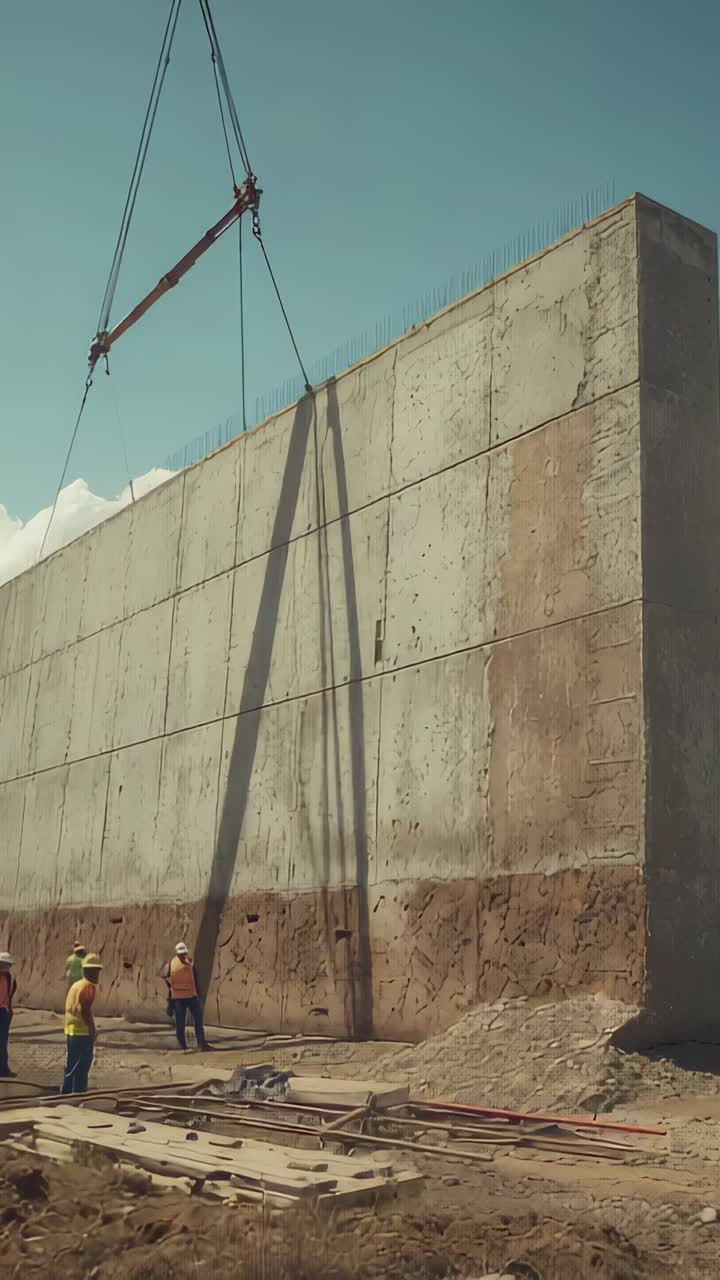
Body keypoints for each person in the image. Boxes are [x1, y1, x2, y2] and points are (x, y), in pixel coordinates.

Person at [61, 952, 102, 1094]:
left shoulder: (76, 985)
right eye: (96, 971)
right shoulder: (88, 986)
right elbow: (83, 1009)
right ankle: (78, 1092)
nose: (98, 974)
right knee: (82, 1065)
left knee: (72, 1062)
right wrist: (92, 1029)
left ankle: (67, 1090)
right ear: (91, 971)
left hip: (71, 1029)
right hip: (82, 1031)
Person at [161, 943, 209, 1051]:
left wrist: (198, 993)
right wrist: (171, 988)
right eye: (181, 954)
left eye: (183, 953)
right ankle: (183, 1045)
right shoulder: (174, 963)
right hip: (181, 998)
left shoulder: (183, 963)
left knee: (196, 1021)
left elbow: (195, 978)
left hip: (189, 996)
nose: (183, 955)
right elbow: (164, 975)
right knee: (181, 1023)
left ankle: (200, 1044)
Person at [0, 952, 17, 1079]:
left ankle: (2, 1068)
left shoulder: (8, 978)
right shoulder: (9, 978)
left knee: (2, 1041)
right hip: (5, 1012)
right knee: (2, 1041)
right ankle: (3, 1068)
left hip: (4, 1011)